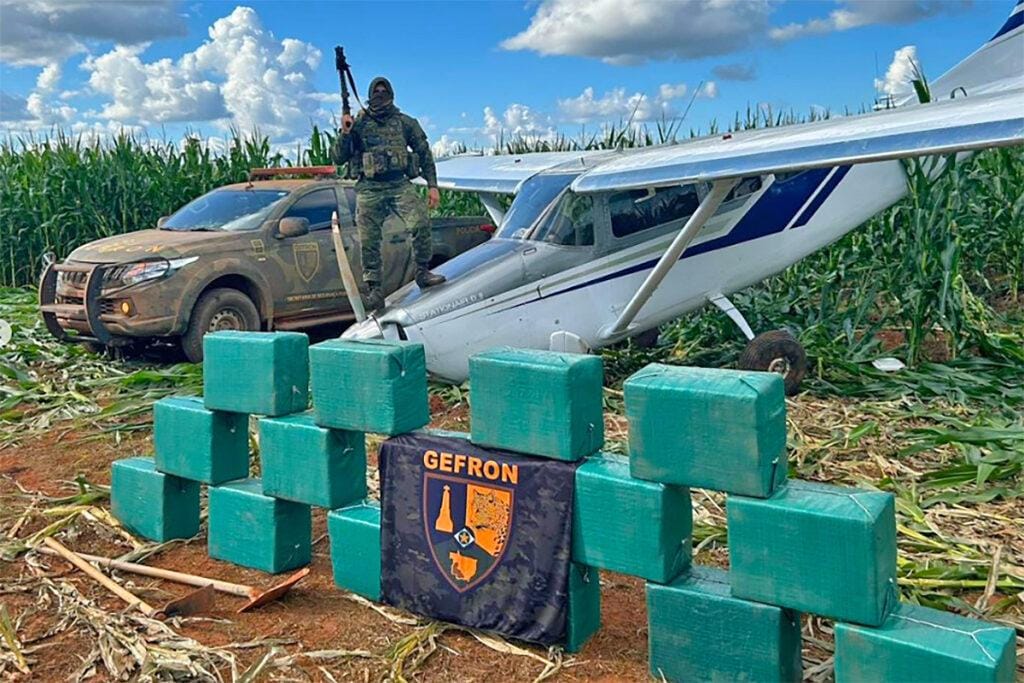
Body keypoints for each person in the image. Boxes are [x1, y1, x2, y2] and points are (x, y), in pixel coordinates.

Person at [331, 77, 446, 312]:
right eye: (376, 91)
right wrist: (345, 132)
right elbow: (338, 157)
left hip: (398, 184)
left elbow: (424, 153)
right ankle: (374, 290)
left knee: (420, 222)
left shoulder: (405, 123)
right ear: (369, 95)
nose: (380, 94)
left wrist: (432, 185)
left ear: (391, 94)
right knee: (369, 240)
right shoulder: (359, 123)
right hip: (370, 188)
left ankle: (422, 272)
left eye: (384, 91)